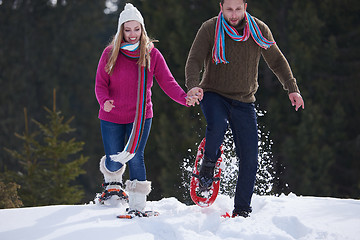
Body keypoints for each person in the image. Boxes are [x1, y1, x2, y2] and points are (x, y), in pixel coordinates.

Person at [185, 0, 304, 218]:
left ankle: (242, 210)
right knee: (217, 125)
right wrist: (193, 85)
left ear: (245, 7)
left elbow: (276, 61)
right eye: (229, 9)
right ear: (220, 7)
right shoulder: (210, 28)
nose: (233, 14)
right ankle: (208, 167)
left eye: (238, 9)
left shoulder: (259, 30)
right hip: (213, 94)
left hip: (244, 100)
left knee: (250, 157)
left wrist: (292, 89)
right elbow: (194, 59)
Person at [95, 3, 197, 215]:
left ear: (142, 29)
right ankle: (113, 183)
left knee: (135, 156)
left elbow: (167, 82)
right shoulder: (109, 54)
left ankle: (138, 206)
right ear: (121, 30)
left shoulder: (152, 55)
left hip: (140, 117)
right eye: (128, 29)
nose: (132, 34)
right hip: (111, 116)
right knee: (114, 160)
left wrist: (184, 98)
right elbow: (100, 84)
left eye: (136, 29)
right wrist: (104, 100)